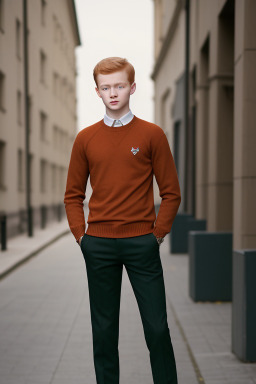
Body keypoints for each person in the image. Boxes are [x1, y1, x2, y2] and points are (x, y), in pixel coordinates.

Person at [64, 56, 181, 384]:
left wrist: (156, 235)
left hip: (141, 243)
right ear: (97, 91)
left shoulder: (152, 134)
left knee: (157, 328)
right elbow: (73, 195)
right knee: (103, 332)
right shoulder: (85, 139)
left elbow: (171, 192)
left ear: (131, 87)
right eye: (105, 87)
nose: (112, 92)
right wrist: (81, 237)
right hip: (98, 245)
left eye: (118, 86)